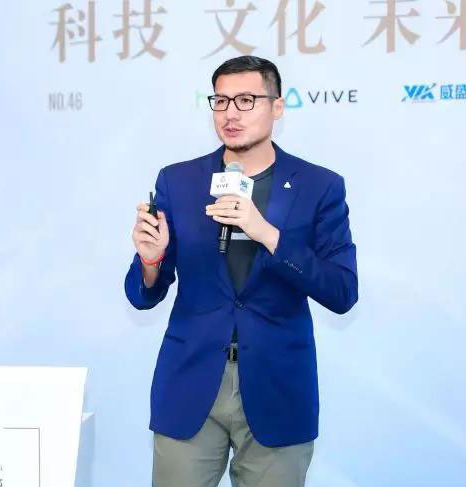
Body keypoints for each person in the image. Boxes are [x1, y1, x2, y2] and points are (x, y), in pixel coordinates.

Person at [124, 55, 358, 487]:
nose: (230, 113)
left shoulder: (319, 186)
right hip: (191, 381)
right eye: (221, 101)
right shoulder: (178, 181)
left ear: (278, 106)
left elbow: (342, 291)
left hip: (277, 385)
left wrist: (266, 233)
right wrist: (151, 260)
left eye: (247, 100)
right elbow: (145, 293)